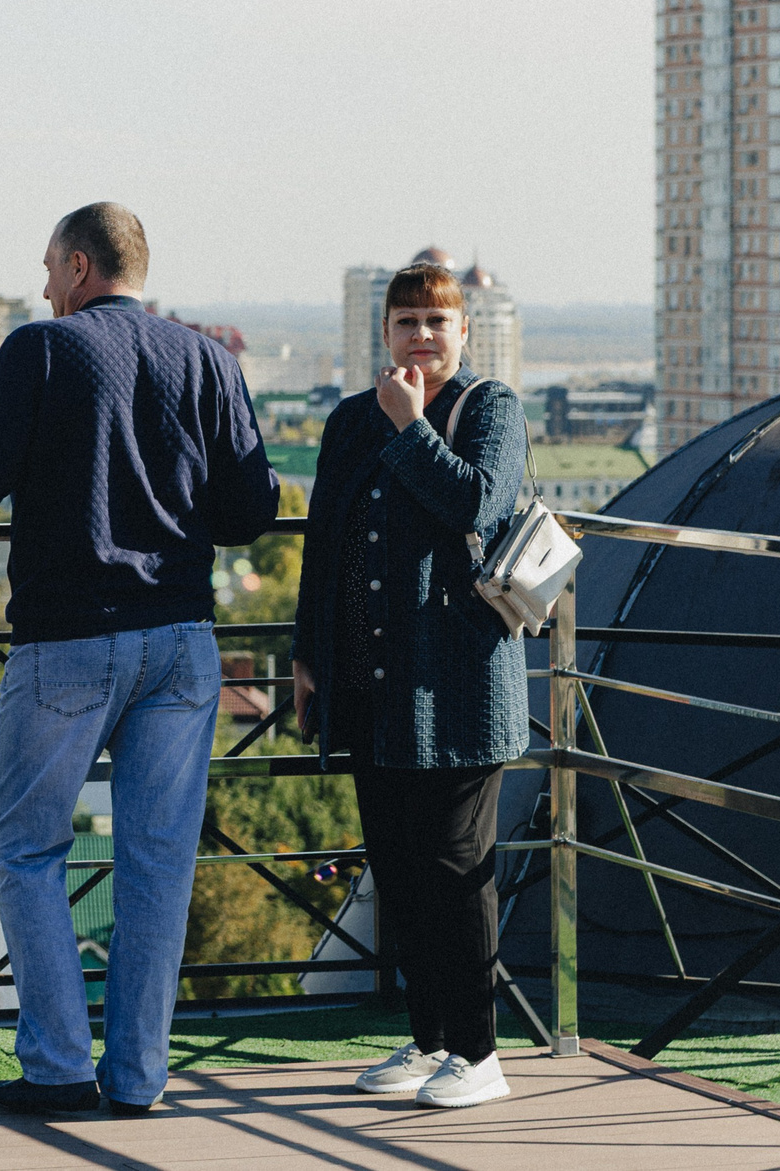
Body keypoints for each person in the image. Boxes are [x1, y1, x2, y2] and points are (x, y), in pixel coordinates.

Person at [0, 202, 279, 1119]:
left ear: (84, 264)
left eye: (51, 267)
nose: (45, 285)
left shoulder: (43, 350)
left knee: (26, 848)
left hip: (67, 640)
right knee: (156, 866)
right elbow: (252, 510)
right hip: (181, 641)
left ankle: (58, 1065)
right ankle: (137, 1080)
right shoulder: (210, 359)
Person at [291, 261, 528, 1109]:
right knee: (397, 865)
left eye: (437, 321)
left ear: (465, 333)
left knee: (456, 865)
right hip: (372, 685)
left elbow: (473, 504)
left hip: (460, 690)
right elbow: (326, 544)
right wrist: (306, 652)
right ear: (382, 332)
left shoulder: (489, 408)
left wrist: (410, 424)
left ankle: (480, 1052)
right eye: (406, 322)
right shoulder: (352, 418)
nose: (422, 336)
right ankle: (429, 1039)